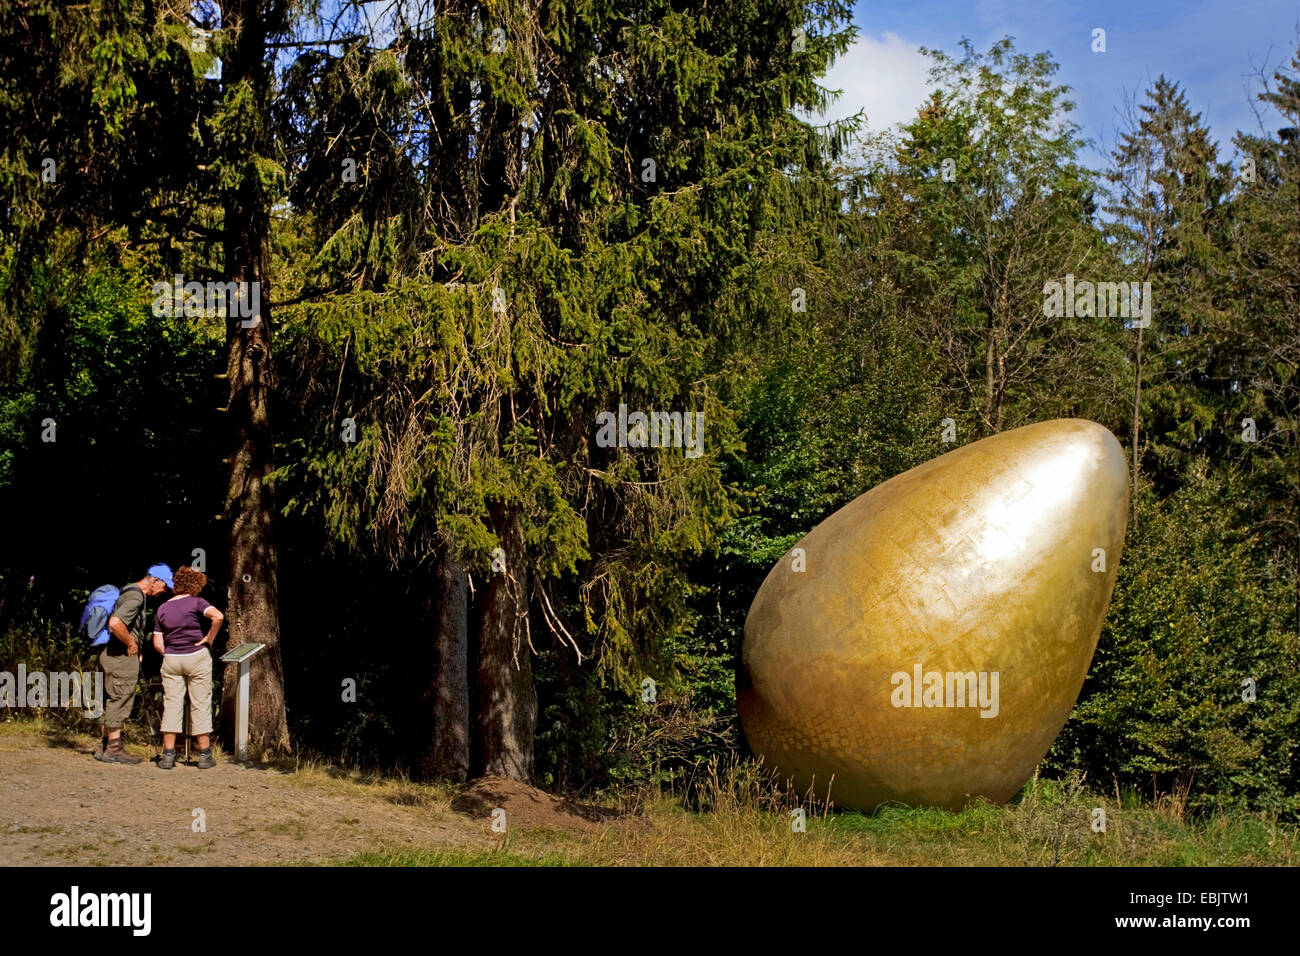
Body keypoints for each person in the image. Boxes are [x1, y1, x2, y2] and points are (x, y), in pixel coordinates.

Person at [98, 564, 173, 765]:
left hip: (112, 655)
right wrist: (131, 645)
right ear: (155, 581)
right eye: (164, 586)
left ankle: (105, 746)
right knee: (121, 699)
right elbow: (115, 623)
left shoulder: (127, 590)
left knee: (112, 699)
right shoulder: (136, 596)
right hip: (120, 658)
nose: (163, 592)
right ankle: (113, 749)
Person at [151, 565, 224, 769]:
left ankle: (168, 755)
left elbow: (157, 642)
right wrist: (209, 637)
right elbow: (217, 616)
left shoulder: (163, 607)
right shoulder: (197, 602)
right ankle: (204, 755)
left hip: (172, 658)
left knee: (172, 704)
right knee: (200, 703)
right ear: (196, 584)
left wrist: (170, 654)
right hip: (196, 656)